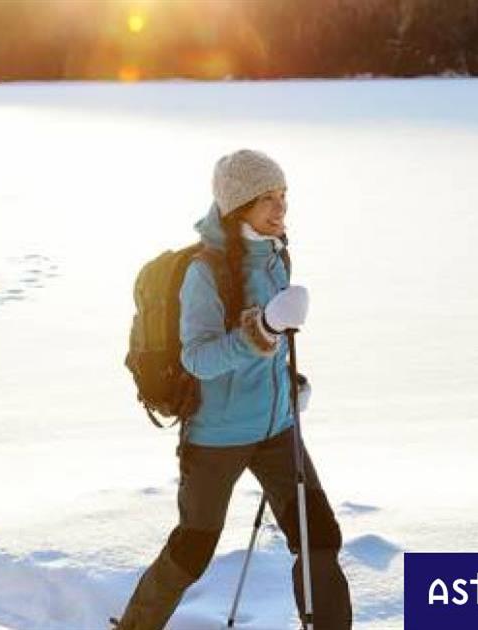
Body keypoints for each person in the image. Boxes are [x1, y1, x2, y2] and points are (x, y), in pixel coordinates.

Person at [113, 149, 352, 629]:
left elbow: (269, 344)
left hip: (277, 429)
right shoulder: (206, 271)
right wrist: (262, 328)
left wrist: (286, 384)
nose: (280, 207)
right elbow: (197, 357)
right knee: (193, 547)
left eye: (283, 195)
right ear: (238, 205)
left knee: (319, 537)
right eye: (267, 198)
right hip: (216, 438)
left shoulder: (274, 256)